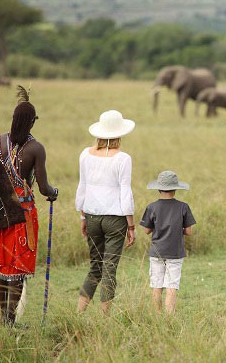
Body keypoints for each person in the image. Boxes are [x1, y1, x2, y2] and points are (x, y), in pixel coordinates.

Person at [0, 86, 58, 326]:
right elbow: (44, 188)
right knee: (18, 266)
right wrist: (54, 193)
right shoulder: (36, 148)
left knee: (3, 264)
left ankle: (4, 317)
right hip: (23, 214)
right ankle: (10, 320)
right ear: (32, 123)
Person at [75, 110, 136, 314]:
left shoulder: (85, 154)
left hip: (91, 216)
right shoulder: (123, 158)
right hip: (115, 219)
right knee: (109, 268)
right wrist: (131, 225)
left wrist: (82, 216)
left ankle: (79, 313)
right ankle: (105, 318)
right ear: (119, 134)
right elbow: (125, 191)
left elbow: (82, 187)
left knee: (95, 266)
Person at [140, 171, 195, 314]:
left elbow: (146, 230)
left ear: (158, 188)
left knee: (156, 286)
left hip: (157, 251)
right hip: (175, 252)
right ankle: (170, 318)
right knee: (172, 286)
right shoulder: (183, 207)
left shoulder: (152, 207)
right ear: (175, 189)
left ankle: (157, 317)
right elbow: (188, 231)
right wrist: (177, 230)